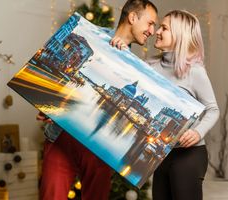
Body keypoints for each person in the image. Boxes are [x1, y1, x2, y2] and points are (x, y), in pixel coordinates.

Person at [37, 1, 158, 200]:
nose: (152, 31)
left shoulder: (136, 67)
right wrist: (46, 101)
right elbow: (60, 67)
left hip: (98, 150)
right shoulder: (88, 33)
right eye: (150, 23)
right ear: (133, 17)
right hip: (61, 138)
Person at [112, 9, 220, 200]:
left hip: (190, 154)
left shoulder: (194, 71)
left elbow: (212, 109)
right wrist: (122, 50)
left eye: (164, 28)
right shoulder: (150, 65)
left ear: (179, 34)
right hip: (162, 155)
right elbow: (127, 75)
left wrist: (198, 132)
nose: (157, 32)